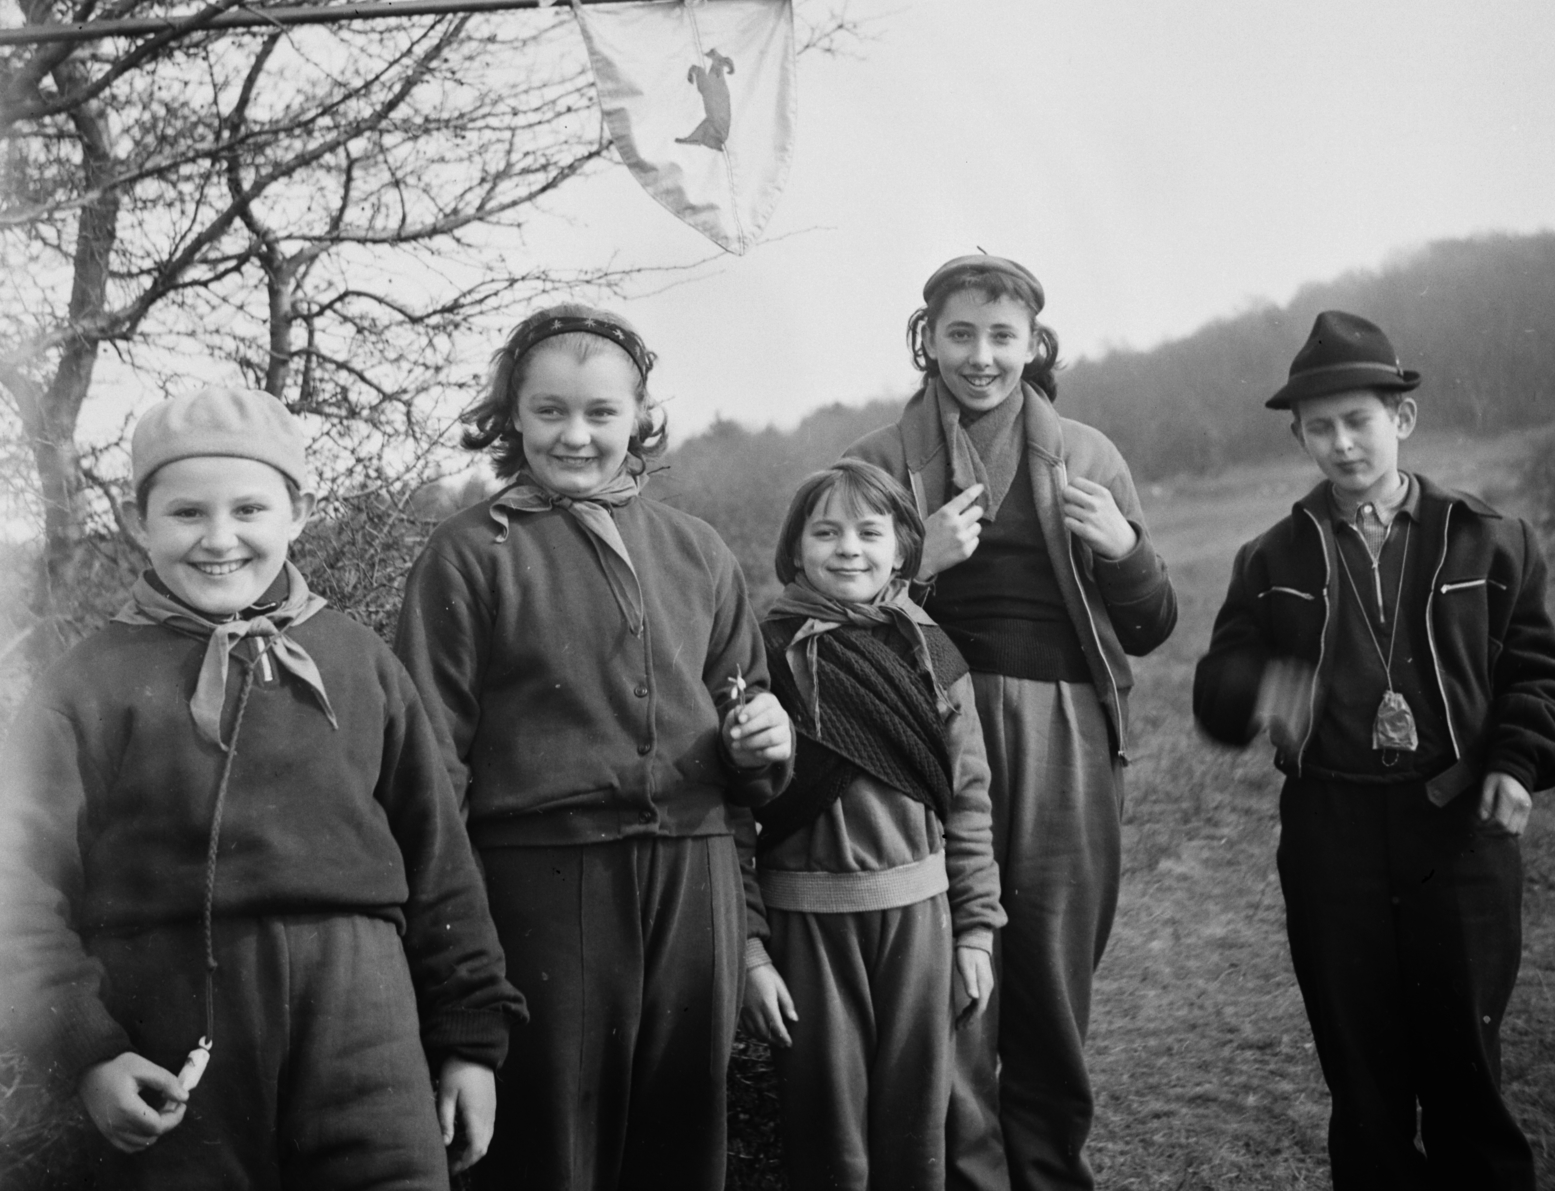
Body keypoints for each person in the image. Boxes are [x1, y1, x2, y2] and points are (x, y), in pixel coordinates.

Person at [0, 386, 525, 1189]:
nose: (219, 539)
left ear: (298, 512)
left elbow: (440, 859)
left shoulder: (360, 663)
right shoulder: (85, 685)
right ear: (141, 522)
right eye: (185, 514)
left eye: (249, 509)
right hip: (170, 1024)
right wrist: (88, 1052)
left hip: (364, 1019)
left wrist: (469, 1042)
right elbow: (20, 891)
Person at [395, 303, 795, 1191]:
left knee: (684, 1137)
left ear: (640, 418)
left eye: (601, 414)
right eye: (549, 412)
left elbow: (745, 722)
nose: (575, 436)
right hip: (546, 884)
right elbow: (428, 772)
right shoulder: (467, 555)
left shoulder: (698, 550)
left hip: (694, 883)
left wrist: (762, 742)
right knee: (554, 1147)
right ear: (511, 416)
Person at [1193, 310, 1555, 1190]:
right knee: (1364, 1086)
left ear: (1399, 419)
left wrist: (1516, 765)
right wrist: (1256, 690)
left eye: (1357, 421)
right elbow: (1215, 691)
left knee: (1465, 1079)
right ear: (1297, 437)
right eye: (1318, 429)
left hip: (1458, 835)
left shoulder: (1491, 538)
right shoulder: (1268, 559)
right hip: (1331, 834)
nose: (1341, 444)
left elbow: (1541, 681)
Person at [848, 255, 1178, 1191]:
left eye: (1003, 337)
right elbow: (826, 621)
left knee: (1052, 967)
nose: (981, 357)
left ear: (1034, 344)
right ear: (928, 339)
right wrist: (921, 566)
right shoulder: (876, 461)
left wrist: (1124, 550)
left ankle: (1047, 1170)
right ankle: (968, 1175)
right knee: (951, 961)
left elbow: (1151, 627)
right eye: (960, 334)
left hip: (1067, 726)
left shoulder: (1090, 452)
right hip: (930, 725)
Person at [740, 458, 1005, 1191]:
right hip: (807, 928)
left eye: (868, 531)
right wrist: (752, 952)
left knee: (916, 1126)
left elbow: (969, 800)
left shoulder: (931, 650)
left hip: (920, 925)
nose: (848, 548)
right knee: (829, 1137)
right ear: (795, 549)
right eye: (825, 532)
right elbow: (730, 817)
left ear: (902, 547)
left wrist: (976, 928)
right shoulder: (762, 655)